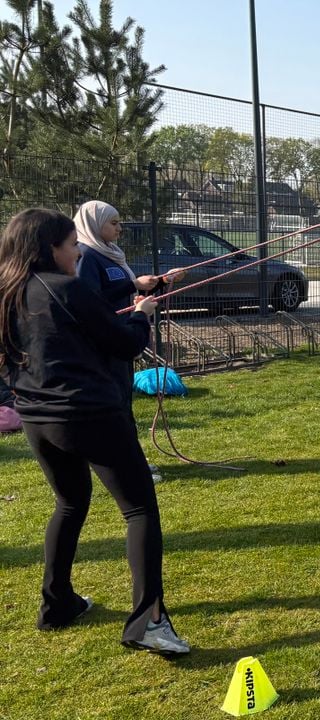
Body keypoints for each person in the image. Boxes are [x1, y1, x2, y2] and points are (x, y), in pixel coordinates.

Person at [0, 208, 188, 654]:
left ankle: (58, 603)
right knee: (139, 509)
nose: (76, 254)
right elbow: (124, 343)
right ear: (51, 249)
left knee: (70, 503)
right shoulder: (66, 288)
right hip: (89, 416)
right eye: (71, 246)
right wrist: (142, 314)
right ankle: (149, 622)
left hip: (38, 420)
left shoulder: (8, 293)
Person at [74, 201, 185, 482]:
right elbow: (89, 301)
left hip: (122, 339)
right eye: (113, 223)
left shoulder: (109, 254)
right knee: (115, 405)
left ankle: (129, 461)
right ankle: (126, 466)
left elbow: (120, 291)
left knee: (123, 402)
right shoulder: (86, 256)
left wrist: (159, 282)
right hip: (104, 344)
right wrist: (133, 287)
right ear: (93, 224)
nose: (120, 229)